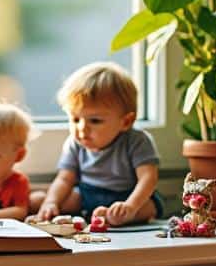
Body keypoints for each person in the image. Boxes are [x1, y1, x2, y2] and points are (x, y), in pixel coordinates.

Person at [33, 61, 162, 226]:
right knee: (39, 201)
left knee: (149, 207)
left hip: (126, 195)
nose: (82, 129)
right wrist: (51, 202)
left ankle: (116, 216)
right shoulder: (75, 143)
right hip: (87, 194)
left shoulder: (137, 140)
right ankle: (101, 216)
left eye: (95, 120)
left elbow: (148, 178)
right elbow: (65, 179)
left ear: (126, 122)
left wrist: (130, 206)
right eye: (75, 119)